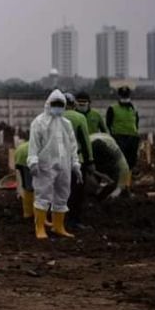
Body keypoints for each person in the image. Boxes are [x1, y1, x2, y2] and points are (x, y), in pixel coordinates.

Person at [28, 89, 81, 239]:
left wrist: (75, 164)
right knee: (43, 195)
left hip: (64, 165)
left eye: (60, 104)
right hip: (45, 165)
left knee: (62, 195)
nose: (57, 107)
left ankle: (58, 227)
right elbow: (34, 145)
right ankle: (39, 228)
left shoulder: (66, 124)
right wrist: (33, 161)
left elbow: (72, 145)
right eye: (55, 104)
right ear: (48, 104)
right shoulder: (39, 122)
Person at [63, 93, 93, 225]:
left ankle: (57, 220)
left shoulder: (51, 118)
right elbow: (85, 141)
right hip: (76, 160)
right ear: (73, 104)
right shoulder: (79, 118)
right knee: (77, 192)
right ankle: (73, 220)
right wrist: (90, 161)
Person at [106, 86, 140, 175]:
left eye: (126, 96)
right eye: (123, 96)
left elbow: (136, 122)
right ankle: (119, 176)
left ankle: (130, 177)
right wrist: (113, 135)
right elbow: (108, 123)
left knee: (131, 160)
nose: (125, 98)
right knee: (120, 159)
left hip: (132, 137)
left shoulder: (134, 108)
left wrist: (135, 133)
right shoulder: (112, 108)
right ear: (119, 96)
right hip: (119, 137)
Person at [90, 132, 131, 198]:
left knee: (115, 173)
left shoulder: (114, 150)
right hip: (92, 146)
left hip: (106, 140)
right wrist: (100, 175)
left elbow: (125, 168)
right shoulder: (84, 150)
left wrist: (118, 189)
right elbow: (84, 168)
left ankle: (102, 196)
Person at [14, 140, 34, 218]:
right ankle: (29, 212)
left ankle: (28, 212)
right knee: (30, 187)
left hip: (21, 156)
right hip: (26, 158)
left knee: (27, 185)